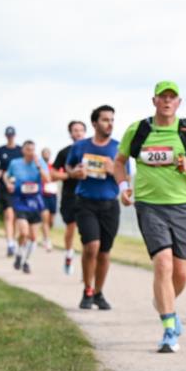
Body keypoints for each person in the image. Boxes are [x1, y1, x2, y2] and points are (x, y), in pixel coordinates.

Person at [114, 81, 186, 353]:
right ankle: (169, 328)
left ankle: (163, 301)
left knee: (181, 272)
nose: (167, 102)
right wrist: (124, 187)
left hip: (182, 206)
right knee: (163, 264)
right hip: (149, 205)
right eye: (162, 97)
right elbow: (119, 162)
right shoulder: (139, 129)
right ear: (154, 101)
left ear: (178, 103)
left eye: (172, 97)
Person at [67, 105, 121, 310]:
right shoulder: (80, 146)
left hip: (109, 204)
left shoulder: (118, 148)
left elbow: (124, 177)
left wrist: (113, 169)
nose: (110, 124)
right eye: (106, 120)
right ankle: (87, 290)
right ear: (95, 123)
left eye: (112, 120)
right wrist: (74, 173)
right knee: (91, 247)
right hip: (86, 203)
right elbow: (69, 167)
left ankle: (98, 292)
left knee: (104, 252)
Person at [4, 140, 50, 274]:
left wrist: (39, 166)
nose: (31, 152)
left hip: (35, 202)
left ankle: (26, 261)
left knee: (33, 237)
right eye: (28, 149)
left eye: (33, 149)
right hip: (20, 201)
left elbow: (47, 179)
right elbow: (7, 176)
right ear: (23, 151)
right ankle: (19, 253)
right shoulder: (15, 163)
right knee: (24, 232)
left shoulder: (39, 163)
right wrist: (8, 184)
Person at [54, 121, 87, 275]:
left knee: (88, 232)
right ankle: (68, 254)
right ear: (70, 134)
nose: (78, 133)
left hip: (88, 196)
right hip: (69, 196)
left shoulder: (91, 150)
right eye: (75, 130)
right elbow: (53, 174)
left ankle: (87, 267)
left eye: (81, 130)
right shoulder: (64, 153)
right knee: (71, 228)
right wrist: (71, 174)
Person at [0, 126, 24, 256]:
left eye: (12, 135)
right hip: (5, 186)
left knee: (17, 216)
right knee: (9, 215)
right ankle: (10, 243)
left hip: (18, 186)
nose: (10, 137)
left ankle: (15, 239)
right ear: (6, 136)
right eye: (8, 135)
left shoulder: (20, 150)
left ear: (15, 136)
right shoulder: (0, 150)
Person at [40, 147, 58, 251]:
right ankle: (47, 240)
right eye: (44, 153)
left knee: (51, 220)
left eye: (48, 153)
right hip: (43, 195)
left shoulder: (53, 166)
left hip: (53, 195)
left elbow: (57, 176)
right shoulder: (39, 167)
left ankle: (45, 234)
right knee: (45, 218)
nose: (46, 155)